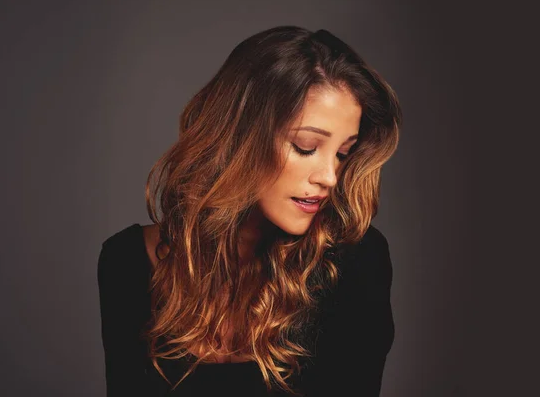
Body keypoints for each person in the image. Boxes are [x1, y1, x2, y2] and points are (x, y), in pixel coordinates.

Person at [97, 25, 401, 397]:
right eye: (306, 147)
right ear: (240, 135)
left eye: (342, 153)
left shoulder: (355, 262)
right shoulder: (126, 263)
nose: (330, 177)